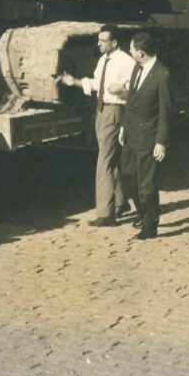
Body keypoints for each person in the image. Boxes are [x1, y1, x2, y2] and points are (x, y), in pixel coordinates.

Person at [59, 26, 136, 227]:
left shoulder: (126, 61)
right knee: (110, 157)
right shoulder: (103, 60)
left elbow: (137, 86)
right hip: (101, 109)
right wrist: (74, 82)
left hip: (115, 110)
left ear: (114, 43)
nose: (98, 44)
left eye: (103, 40)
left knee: (104, 161)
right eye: (99, 40)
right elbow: (96, 84)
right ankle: (120, 202)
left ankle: (106, 214)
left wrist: (123, 89)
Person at [120, 32, 172, 241]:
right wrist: (124, 127)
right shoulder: (137, 67)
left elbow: (166, 112)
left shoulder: (162, 75)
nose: (129, 52)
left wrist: (161, 141)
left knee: (146, 184)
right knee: (127, 176)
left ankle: (150, 225)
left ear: (141, 52)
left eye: (131, 49)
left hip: (149, 137)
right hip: (131, 133)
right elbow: (130, 102)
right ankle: (143, 213)